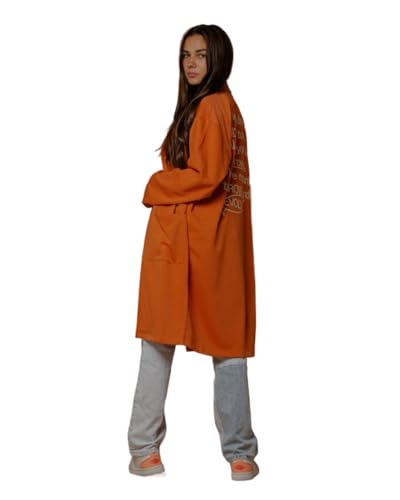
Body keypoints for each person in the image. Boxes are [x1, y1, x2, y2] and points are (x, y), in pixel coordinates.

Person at [127, 24, 259, 481]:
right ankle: (235, 452)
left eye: (201, 54)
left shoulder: (215, 105)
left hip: (199, 240)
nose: (191, 63)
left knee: (186, 342)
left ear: (218, 58)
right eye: (186, 54)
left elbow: (208, 175)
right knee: (200, 342)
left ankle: (147, 448)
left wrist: (156, 184)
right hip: (192, 239)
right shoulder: (214, 106)